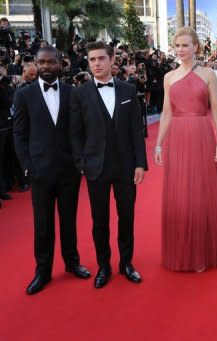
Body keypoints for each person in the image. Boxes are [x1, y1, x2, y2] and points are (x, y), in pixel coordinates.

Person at [69, 41, 148, 289]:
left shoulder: (127, 89)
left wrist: (140, 163)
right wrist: (81, 162)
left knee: (127, 217)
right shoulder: (79, 94)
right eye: (92, 60)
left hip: (126, 166)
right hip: (96, 168)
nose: (97, 64)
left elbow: (137, 130)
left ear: (112, 59)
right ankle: (104, 265)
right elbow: (75, 133)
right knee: (99, 220)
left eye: (101, 58)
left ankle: (126, 263)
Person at [12, 46, 90, 295]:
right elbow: (20, 133)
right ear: (35, 64)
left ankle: (72, 262)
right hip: (40, 171)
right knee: (42, 224)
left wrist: (80, 162)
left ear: (61, 64)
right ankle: (42, 272)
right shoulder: (24, 95)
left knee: (69, 220)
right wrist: (27, 166)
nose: (45, 66)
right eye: (41, 62)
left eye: (50, 62)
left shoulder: (72, 93)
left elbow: (80, 129)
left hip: (69, 170)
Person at [154, 27, 217, 272]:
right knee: (180, 193)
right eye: (177, 46)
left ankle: (202, 252)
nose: (180, 50)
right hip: (177, 135)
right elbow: (166, 112)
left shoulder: (208, 73)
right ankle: (183, 251)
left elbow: (216, 108)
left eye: (185, 45)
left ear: (196, 47)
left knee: (200, 192)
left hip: (200, 133)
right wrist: (158, 143)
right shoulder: (168, 77)